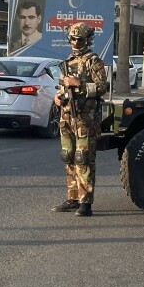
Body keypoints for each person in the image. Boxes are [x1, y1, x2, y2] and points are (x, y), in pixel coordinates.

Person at [52, 22, 109, 217]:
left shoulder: (93, 60)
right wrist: (58, 97)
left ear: (88, 39)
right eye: (73, 39)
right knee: (68, 157)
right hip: (67, 117)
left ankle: (86, 202)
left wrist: (80, 84)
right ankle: (73, 197)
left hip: (85, 118)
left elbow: (102, 87)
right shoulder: (67, 62)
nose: (76, 42)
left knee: (83, 159)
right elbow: (62, 87)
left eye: (80, 39)